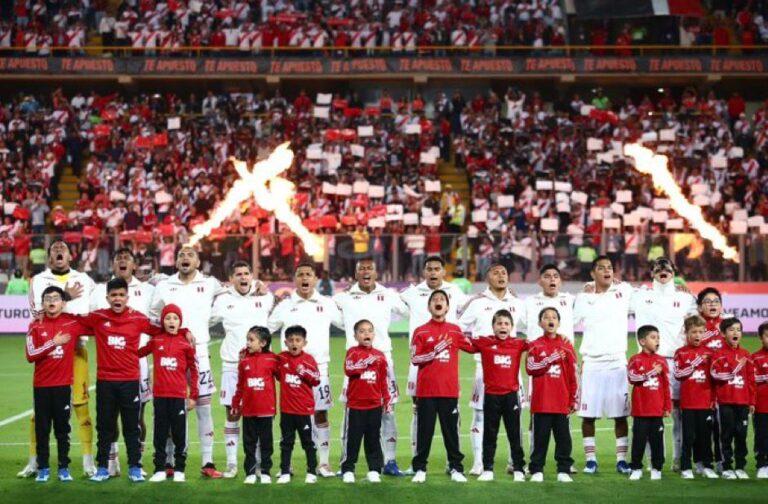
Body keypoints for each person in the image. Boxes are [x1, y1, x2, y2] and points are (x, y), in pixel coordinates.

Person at [150, 245, 228, 479]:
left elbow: (226, 301)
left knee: (203, 408)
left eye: (190, 255)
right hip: (170, 354)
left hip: (200, 352)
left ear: (198, 262)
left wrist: (257, 287)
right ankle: (170, 462)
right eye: (181, 255)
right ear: (175, 262)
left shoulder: (210, 283)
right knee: (170, 410)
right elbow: (154, 315)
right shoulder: (164, 285)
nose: (185, 258)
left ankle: (208, 462)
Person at [21, 240, 96, 478]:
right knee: (39, 414)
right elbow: (37, 314)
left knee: (81, 406)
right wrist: (67, 298)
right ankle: (34, 462)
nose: (59, 251)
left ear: (70, 256)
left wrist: (67, 307)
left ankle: (87, 462)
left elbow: (91, 315)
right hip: (48, 354)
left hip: (76, 351)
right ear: (49, 258)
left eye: (63, 248)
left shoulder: (85, 280)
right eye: (54, 249)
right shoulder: (39, 281)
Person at [333, 258, 408, 476]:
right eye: (361, 269)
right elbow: (334, 316)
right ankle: (345, 463)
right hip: (356, 363)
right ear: (355, 274)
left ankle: (390, 461)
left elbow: (409, 311)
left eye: (370, 269)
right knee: (350, 415)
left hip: (383, 360)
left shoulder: (389, 294)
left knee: (388, 411)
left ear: (377, 273)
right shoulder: (344, 297)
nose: (366, 272)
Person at [268, 261, 343, 477]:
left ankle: (324, 463)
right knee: (289, 418)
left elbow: (347, 324)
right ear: (295, 279)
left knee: (321, 414)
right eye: (300, 274)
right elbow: (266, 330)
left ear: (315, 279)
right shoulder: (285, 305)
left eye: (308, 274)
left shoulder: (327, 304)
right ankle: (287, 465)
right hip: (291, 372)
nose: (304, 278)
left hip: (318, 368)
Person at [80, 277, 158, 483]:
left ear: (127, 297)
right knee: (105, 427)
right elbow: (74, 323)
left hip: (129, 381)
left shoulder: (138, 318)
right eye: (113, 295)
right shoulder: (98, 317)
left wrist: (183, 332)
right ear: (107, 297)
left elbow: (159, 332)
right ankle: (103, 468)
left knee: (131, 426)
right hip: (105, 382)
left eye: (121, 295)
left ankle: (134, 467)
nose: (117, 298)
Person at [401, 256, 467, 472]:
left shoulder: (455, 291)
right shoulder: (411, 293)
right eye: (429, 269)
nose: (432, 272)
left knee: (451, 414)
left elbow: (473, 303)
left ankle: (452, 463)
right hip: (420, 361)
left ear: (443, 272)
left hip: (447, 362)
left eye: (437, 269)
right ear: (424, 272)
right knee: (418, 412)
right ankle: (416, 461)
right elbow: (389, 302)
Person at [631, 258, 697, 471]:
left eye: (666, 268)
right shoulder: (639, 296)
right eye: (658, 268)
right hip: (649, 363)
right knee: (650, 414)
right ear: (652, 273)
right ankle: (652, 461)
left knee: (678, 413)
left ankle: (678, 458)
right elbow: (612, 291)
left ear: (673, 272)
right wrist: (591, 286)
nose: (662, 270)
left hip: (676, 363)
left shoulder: (686, 298)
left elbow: (702, 321)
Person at [210, 261, 274, 479]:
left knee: (259, 415)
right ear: (231, 279)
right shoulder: (223, 300)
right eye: (238, 274)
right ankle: (231, 464)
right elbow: (206, 320)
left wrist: (264, 289)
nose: (243, 277)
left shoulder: (264, 297)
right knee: (233, 413)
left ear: (252, 276)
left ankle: (259, 462)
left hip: (259, 365)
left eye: (246, 273)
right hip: (231, 364)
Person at [457, 263, 523, 475]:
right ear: (488, 278)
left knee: (515, 416)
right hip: (484, 369)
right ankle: (479, 462)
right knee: (479, 415)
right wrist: (476, 344)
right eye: (496, 272)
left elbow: (532, 328)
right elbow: (458, 328)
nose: (501, 275)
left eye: (504, 272)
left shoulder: (518, 302)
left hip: (511, 368)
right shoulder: (477, 302)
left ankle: (515, 462)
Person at [574, 255, 636, 474]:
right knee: (588, 415)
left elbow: (649, 298)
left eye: (610, 268)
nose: (607, 271)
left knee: (620, 414)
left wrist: (679, 288)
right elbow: (568, 321)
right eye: (601, 268)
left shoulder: (625, 291)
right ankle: (591, 460)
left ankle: (621, 459)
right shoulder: (583, 298)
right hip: (591, 362)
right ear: (593, 273)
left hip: (617, 361)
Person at [410, 290, 474, 484]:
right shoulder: (421, 331)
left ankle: (455, 468)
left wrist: (497, 340)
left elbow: (472, 347)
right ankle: (420, 468)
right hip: (427, 391)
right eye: (435, 300)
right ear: (429, 306)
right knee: (424, 431)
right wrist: (434, 351)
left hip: (449, 390)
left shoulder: (455, 330)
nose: (438, 302)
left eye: (442, 300)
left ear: (447, 307)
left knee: (451, 432)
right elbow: (415, 358)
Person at [25, 286, 86, 482]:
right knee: (42, 429)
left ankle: (63, 468)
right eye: (48, 298)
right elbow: (30, 355)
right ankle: (43, 469)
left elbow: (97, 325)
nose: (52, 301)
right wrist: (54, 342)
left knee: (62, 429)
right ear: (42, 303)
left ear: (63, 302)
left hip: (62, 387)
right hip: (41, 387)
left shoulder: (72, 323)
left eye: (56, 298)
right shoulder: (35, 326)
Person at [466, 309, 528, 482]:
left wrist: (561, 338)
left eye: (506, 324)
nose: (503, 326)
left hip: (511, 396)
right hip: (491, 396)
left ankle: (518, 469)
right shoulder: (485, 343)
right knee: (490, 435)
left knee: (514, 434)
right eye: (499, 323)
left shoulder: (518, 344)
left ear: (512, 327)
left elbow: (539, 344)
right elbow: (464, 344)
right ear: (493, 327)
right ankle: (488, 469)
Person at [140, 304, 198, 483]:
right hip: (160, 396)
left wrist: (193, 396)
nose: (171, 321)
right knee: (160, 433)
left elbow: (193, 371)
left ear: (180, 321)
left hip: (179, 396)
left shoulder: (185, 345)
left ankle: (180, 468)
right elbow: (138, 353)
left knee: (179, 433)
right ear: (162, 321)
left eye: (175, 318)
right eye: (167, 318)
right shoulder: (156, 341)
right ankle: (160, 468)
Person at [525, 307, 577, 483]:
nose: (550, 320)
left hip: (561, 401)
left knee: (563, 439)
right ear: (540, 323)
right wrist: (549, 359)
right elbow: (530, 368)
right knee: (540, 438)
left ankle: (563, 470)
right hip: (541, 402)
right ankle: (536, 470)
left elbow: (572, 375)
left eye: (554, 317)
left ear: (559, 322)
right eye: (546, 317)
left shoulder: (567, 346)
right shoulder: (535, 345)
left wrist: (573, 399)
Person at [340, 319, 391, 484]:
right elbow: (349, 370)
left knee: (373, 438)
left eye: (369, 330)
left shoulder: (380, 356)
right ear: (355, 336)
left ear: (374, 334)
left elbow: (383, 380)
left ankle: (374, 469)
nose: (366, 333)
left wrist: (386, 399)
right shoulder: (352, 352)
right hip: (355, 405)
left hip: (374, 404)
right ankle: (348, 469)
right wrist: (365, 363)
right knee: (353, 439)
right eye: (362, 331)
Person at [230, 326, 280, 485]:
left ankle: (265, 471)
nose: (248, 343)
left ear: (263, 343)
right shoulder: (243, 361)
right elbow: (240, 385)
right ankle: (250, 472)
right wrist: (235, 403)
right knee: (249, 443)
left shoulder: (272, 360)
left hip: (266, 409)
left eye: (252, 340)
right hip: (249, 410)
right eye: (247, 339)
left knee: (266, 443)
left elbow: (282, 377)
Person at [710, 318, 755, 480]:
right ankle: (726, 466)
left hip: (742, 402)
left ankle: (740, 466)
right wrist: (735, 368)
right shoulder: (718, 355)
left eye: (738, 329)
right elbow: (715, 375)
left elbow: (751, 380)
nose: (736, 332)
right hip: (725, 402)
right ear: (723, 333)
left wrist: (752, 401)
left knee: (741, 435)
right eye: (731, 330)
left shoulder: (746, 355)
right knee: (726, 434)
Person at [674, 315, 718, 479]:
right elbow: (679, 374)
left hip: (705, 402)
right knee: (689, 436)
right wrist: (697, 361)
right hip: (688, 403)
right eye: (693, 332)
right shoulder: (681, 353)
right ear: (686, 333)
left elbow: (714, 379)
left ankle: (705, 465)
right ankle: (686, 467)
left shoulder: (710, 353)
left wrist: (713, 399)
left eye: (700, 332)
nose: (697, 335)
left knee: (705, 436)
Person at [276, 325, 321, 485]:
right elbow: (271, 371)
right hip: (287, 410)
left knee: (308, 443)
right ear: (285, 342)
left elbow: (316, 379)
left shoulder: (309, 360)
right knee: (286, 443)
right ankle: (285, 471)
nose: (294, 343)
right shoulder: (280, 358)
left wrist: (304, 372)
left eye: (298, 340)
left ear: (304, 342)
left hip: (304, 410)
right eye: (291, 340)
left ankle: (311, 471)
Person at [627, 325, 671, 481]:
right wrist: (652, 372)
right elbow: (633, 378)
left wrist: (667, 407)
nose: (657, 340)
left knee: (657, 441)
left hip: (657, 410)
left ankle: (656, 468)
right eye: (653, 337)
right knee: (638, 441)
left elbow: (666, 385)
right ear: (642, 341)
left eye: (658, 337)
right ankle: (636, 468)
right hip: (640, 410)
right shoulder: (635, 359)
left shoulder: (661, 360)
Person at [697, 287, 729, 470]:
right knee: (702, 425)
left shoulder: (728, 325)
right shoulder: (696, 327)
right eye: (707, 302)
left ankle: (721, 461)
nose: (712, 304)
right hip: (702, 383)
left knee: (721, 425)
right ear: (700, 307)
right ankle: (701, 461)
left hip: (723, 384)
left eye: (716, 301)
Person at [521, 264, 575, 343]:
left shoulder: (570, 300)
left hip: (564, 351)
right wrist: (533, 335)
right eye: (547, 276)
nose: (552, 279)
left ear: (560, 282)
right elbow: (520, 325)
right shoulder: (529, 301)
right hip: (538, 352)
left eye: (556, 276)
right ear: (539, 282)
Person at [753, 322, 768, 480]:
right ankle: (762, 464)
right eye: (767, 336)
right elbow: (752, 379)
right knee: (763, 436)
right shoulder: (755, 357)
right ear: (761, 338)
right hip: (762, 405)